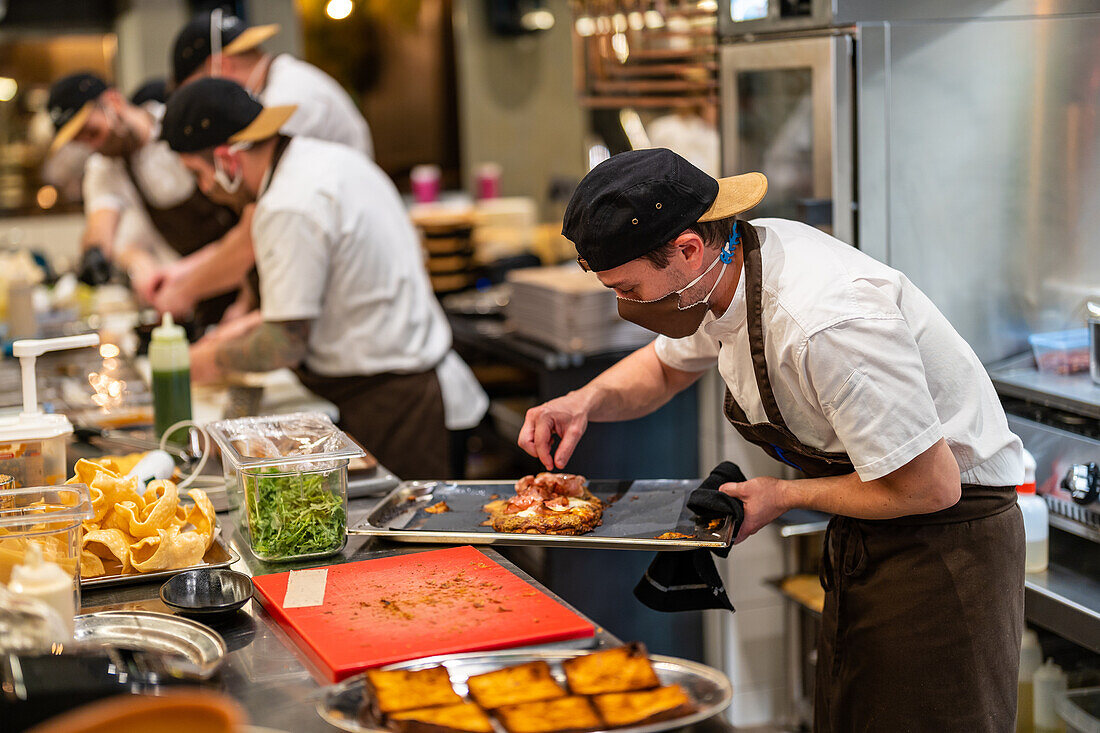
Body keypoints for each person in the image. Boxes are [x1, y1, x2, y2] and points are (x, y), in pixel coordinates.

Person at [519, 148, 1025, 731]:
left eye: (630, 288)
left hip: (947, 547)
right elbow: (665, 369)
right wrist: (584, 401)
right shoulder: (720, 273)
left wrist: (783, 496)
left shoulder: (825, 321)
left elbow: (929, 488)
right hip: (876, 529)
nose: (624, 305)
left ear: (687, 249)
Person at [161, 78, 486, 479]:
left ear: (227, 159)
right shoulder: (324, 159)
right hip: (402, 381)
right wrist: (235, 331)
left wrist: (199, 362)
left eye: (198, 173)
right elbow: (332, 296)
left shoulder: (287, 204)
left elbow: (283, 346)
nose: (204, 188)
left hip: (392, 405)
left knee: (410, 540)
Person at [148, 8, 375, 319]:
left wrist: (187, 288)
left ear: (221, 65)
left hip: (355, 273)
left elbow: (255, 229)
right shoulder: (278, 84)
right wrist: (183, 273)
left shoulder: (289, 99)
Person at [45, 72, 242, 328]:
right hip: (202, 290)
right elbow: (101, 221)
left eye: (92, 132)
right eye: (80, 141)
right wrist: (94, 253)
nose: (93, 145)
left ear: (113, 102)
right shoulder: (106, 167)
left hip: (248, 268)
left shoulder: (182, 124)